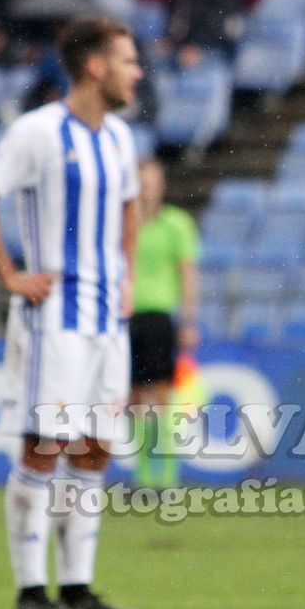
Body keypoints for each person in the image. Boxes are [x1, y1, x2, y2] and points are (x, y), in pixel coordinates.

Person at [0, 16, 145, 609]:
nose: (137, 72)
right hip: (54, 317)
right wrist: (9, 274)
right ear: (95, 66)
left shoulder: (120, 138)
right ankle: (31, 590)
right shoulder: (37, 132)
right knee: (44, 446)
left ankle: (78, 587)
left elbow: (130, 206)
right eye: (127, 61)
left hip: (106, 319)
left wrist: (128, 275)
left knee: (94, 451)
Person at [128, 160, 202, 489]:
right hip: (127, 317)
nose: (146, 189)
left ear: (161, 186)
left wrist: (188, 320)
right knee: (133, 401)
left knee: (161, 399)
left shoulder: (177, 224)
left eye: (151, 182)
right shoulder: (124, 224)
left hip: (159, 318)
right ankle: (143, 478)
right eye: (141, 183)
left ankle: (168, 480)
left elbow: (187, 274)